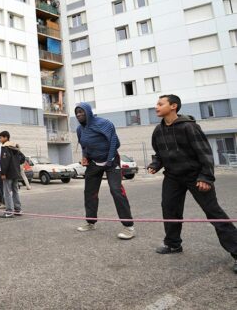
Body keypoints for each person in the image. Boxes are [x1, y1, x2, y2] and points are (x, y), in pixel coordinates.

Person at [147, 94, 237, 273]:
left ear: (173, 106)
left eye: (160, 104)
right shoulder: (158, 130)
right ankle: (173, 244)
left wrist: (206, 177)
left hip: (196, 176)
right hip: (172, 177)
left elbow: (205, 153)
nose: (156, 107)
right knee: (169, 209)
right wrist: (155, 164)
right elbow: (159, 154)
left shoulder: (189, 127)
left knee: (213, 212)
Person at [74, 102, 136, 240]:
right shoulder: (80, 129)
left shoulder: (104, 123)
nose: (78, 114)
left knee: (116, 190)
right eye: (77, 112)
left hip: (111, 161)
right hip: (94, 163)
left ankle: (129, 227)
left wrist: (108, 160)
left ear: (88, 112)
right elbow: (83, 145)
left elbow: (115, 142)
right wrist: (85, 157)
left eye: (81, 111)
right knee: (89, 192)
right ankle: (90, 222)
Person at [0, 131, 22, 218]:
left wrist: (3, 173)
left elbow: (4, 161)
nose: (0, 140)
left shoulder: (5, 147)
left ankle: (9, 211)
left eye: (1, 137)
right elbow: (22, 158)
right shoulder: (15, 147)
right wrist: (15, 164)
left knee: (7, 192)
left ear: (6, 137)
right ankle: (18, 209)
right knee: (15, 191)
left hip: (8, 174)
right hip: (16, 173)